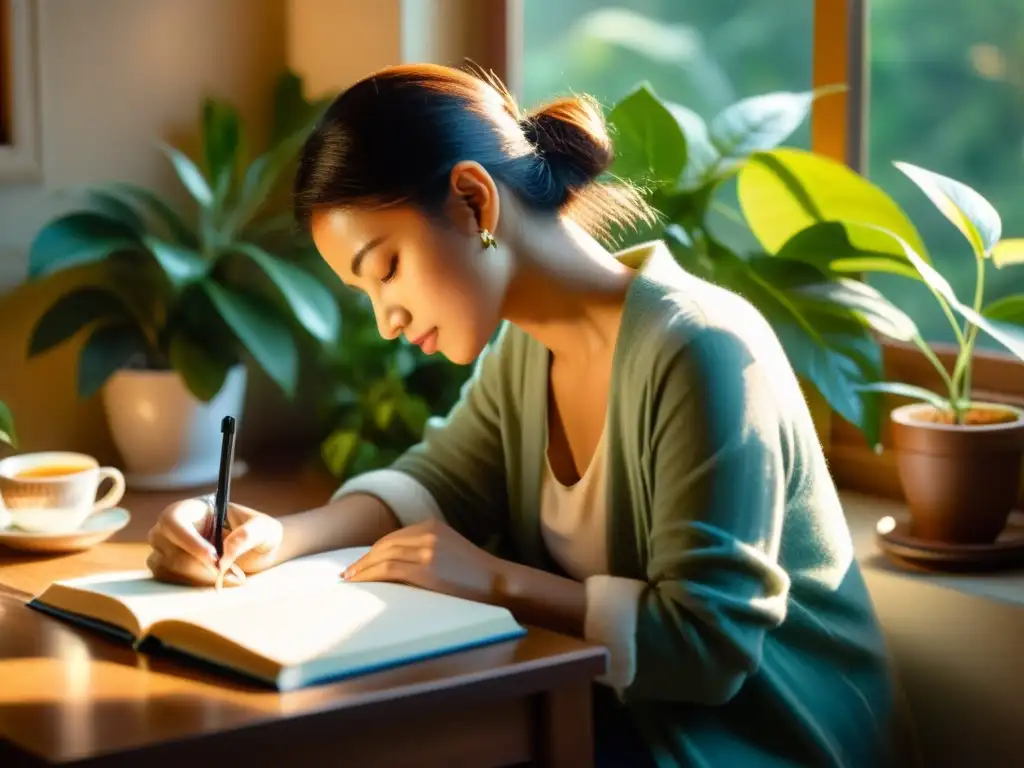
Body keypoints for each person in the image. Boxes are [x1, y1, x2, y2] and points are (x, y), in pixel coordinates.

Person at [145, 62, 899, 766]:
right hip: (607, 723)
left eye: (387, 269)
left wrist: (496, 582)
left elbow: (709, 647)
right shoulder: (524, 354)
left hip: (756, 742)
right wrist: (273, 539)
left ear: (474, 200)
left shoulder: (699, 349)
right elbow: (437, 482)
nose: (386, 319)